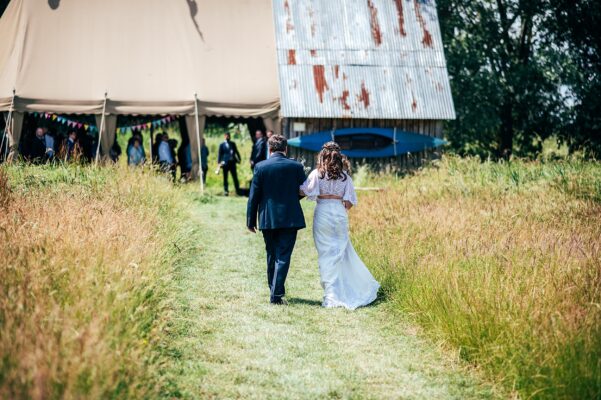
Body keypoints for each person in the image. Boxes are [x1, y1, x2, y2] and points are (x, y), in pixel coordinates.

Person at [300, 142, 380, 309]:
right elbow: (350, 202)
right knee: (340, 253)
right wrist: (339, 210)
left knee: (325, 254)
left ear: (323, 156)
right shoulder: (345, 177)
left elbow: (305, 191)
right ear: (338, 158)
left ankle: (331, 295)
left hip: (322, 213)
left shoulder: (317, 174)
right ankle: (340, 290)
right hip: (339, 213)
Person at [247, 134, 307, 304]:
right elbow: (303, 190)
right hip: (290, 217)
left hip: (268, 218)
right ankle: (276, 293)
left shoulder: (260, 167)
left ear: (269, 148)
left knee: (271, 254)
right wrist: (291, 198)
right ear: (285, 149)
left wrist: (251, 221)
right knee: (284, 256)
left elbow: (254, 196)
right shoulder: (296, 166)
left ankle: (274, 290)